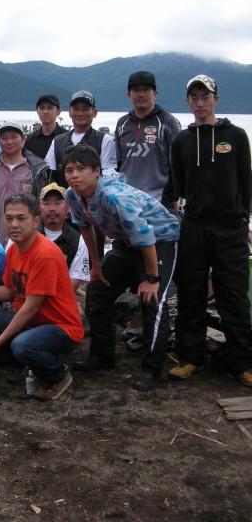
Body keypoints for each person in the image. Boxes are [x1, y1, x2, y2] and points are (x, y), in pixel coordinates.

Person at [63, 145, 179, 391]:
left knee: (153, 301)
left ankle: (152, 368)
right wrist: (96, 265)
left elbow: (145, 235)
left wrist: (151, 278)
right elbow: (85, 227)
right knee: (98, 290)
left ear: (96, 171)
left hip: (160, 241)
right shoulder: (73, 195)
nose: (75, 175)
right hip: (126, 243)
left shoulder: (115, 196)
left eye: (81, 169)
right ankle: (103, 355)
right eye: (69, 170)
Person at [169, 74, 252, 387]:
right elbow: (176, 185)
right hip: (195, 226)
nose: (200, 103)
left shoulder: (238, 136)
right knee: (191, 294)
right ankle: (191, 357)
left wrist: (245, 220)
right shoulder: (182, 140)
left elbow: (246, 181)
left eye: (206, 97)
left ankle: (240, 362)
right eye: (194, 98)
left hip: (231, 227)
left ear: (215, 99)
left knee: (234, 296)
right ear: (188, 102)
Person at [0, 194, 84, 400]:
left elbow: (31, 307)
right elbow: (10, 292)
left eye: (21, 218)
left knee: (22, 345)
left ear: (36, 221)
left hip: (61, 327)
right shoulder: (14, 248)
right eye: (9, 218)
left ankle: (58, 374)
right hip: (32, 322)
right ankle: (28, 365)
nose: (14, 224)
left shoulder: (44, 254)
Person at [114, 71, 181, 210]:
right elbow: (118, 163)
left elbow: (176, 164)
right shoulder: (122, 123)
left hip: (159, 201)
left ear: (155, 94)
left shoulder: (167, 121)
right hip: (126, 201)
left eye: (146, 90)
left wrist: (173, 198)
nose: (141, 94)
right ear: (128, 95)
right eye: (136, 90)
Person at [0, 121, 50, 245]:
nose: (9, 142)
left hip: (28, 239)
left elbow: (42, 204)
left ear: (23, 139)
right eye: (4, 138)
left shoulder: (37, 169)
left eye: (14, 137)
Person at [45, 90, 117, 188]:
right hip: (64, 200)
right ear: (70, 112)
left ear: (95, 112)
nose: (80, 113)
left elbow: (108, 177)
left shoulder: (104, 140)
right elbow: (49, 176)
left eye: (85, 109)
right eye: (76, 109)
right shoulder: (57, 141)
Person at [35, 183, 90, 292]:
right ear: (39, 208)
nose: (51, 209)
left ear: (68, 207)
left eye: (58, 203)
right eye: (46, 203)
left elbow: (75, 281)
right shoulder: (27, 234)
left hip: (59, 298)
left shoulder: (78, 240)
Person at [24, 94, 65, 160]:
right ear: (37, 111)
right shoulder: (31, 139)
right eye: (42, 108)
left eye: (50, 108)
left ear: (58, 112)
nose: (45, 112)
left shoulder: (66, 137)